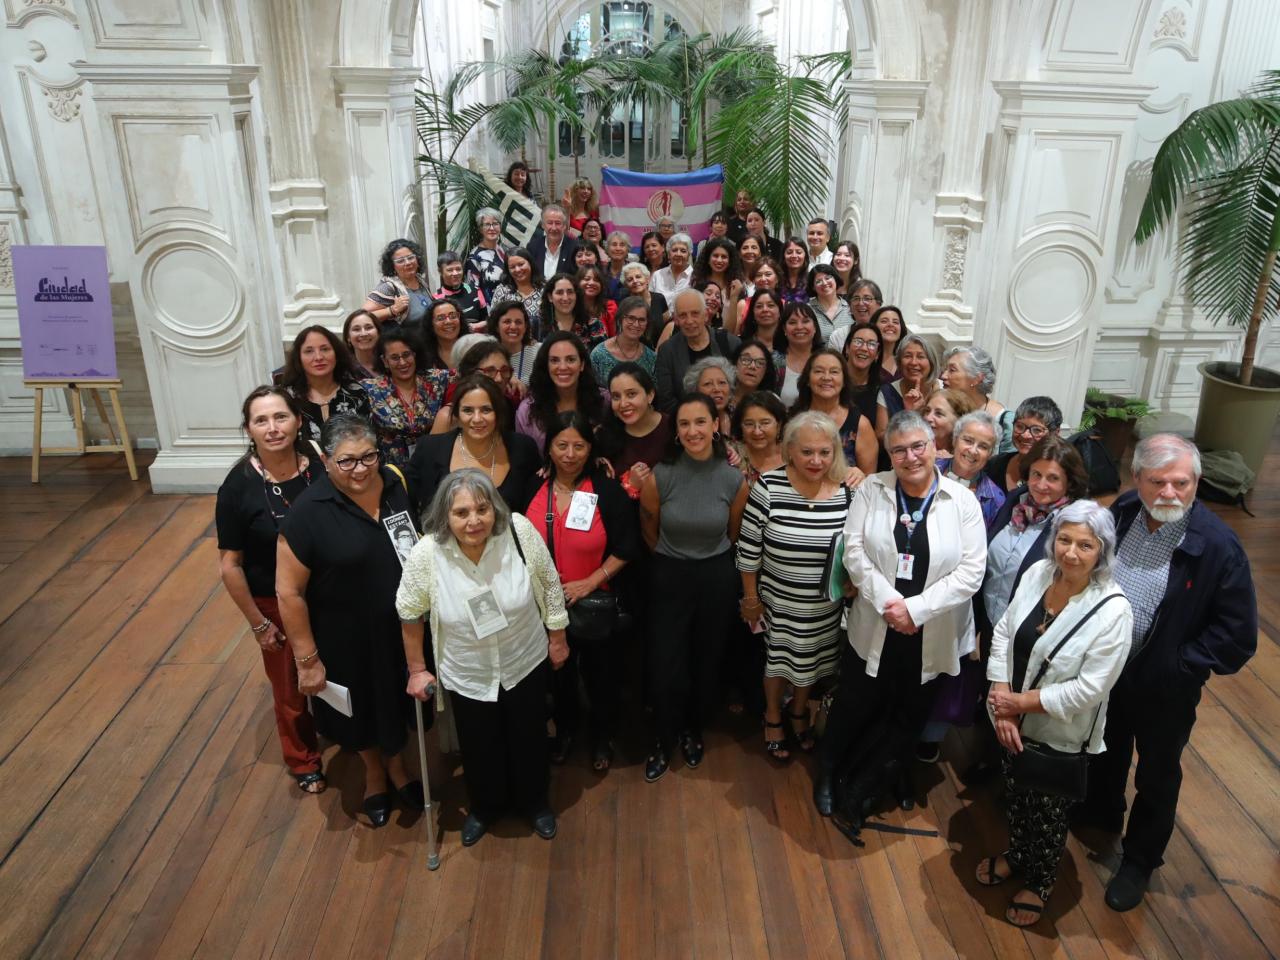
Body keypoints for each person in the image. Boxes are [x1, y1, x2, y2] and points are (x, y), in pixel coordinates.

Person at [1081, 434, 1257, 912]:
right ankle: (1101, 811)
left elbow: (1239, 636)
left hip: (1166, 687)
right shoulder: (1120, 513)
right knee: (1107, 746)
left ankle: (1139, 860)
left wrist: (1180, 666)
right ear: (1136, 480)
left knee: (1158, 774)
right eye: (1158, 482)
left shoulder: (1219, 546)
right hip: (1110, 671)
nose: (1170, 494)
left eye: (1182, 483)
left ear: (1196, 482)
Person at [814, 410, 987, 828]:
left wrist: (916, 610)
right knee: (856, 703)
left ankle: (887, 776)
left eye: (918, 446)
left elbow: (972, 571)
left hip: (932, 628)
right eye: (899, 450)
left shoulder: (962, 500)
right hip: (875, 621)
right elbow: (853, 552)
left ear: (933, 448)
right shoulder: (872, 490)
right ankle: (829, 772)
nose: (910, 457)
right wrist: (893, 603)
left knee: (910, 711)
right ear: (889, 455)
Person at [978, 501, 1134, 927]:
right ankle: (1018, 853)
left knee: (1047, 810)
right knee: (1016, 793)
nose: (1071, 552)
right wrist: (1000, 692)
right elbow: (1006, 631)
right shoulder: (1038, 574)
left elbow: (1090, 689)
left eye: (1086, 545)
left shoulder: (1114, 610)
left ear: (1103, 551)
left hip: (1058, 731)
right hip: (1011, 718)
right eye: (1064, 539)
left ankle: (1042, 879)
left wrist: (1018, 704)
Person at [395, 469, 569, 845]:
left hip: (524, 658)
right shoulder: (428, 552)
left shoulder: (519, 532)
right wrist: (416, 669)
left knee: (529, 737)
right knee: (478, 744)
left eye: (482, 509)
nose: (474, 521)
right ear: (445, 516)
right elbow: (409, 611)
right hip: (468, 669)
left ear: (495, 508)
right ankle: (485, 807)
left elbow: (550, 582)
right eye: (461, 513)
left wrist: (558, 637)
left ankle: (535, 802)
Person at [277, 415, 423, 827]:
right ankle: (374, 774)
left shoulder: (396, 487)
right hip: (344, 637)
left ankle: (397, 766)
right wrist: (307, 660)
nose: (360, 469)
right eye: (347, 461)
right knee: (357, 712)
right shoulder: (308, 512)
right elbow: (288, 592)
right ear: (326, 461)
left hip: (401, 629)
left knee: (395, 702)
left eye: (368, 457)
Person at [216, 387, 326, 794]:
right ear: (248, 429)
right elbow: (230, 565)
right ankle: (303, 759)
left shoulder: (319, 463)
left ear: (298, 420)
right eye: (261, 420)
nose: (273, 428)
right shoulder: (237, 486)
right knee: (290, 686)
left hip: (329, 592)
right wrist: (259, 624)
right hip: (274, 601)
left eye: (280, 417)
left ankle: (349, 736)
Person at [639, 392, 750, 781]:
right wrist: (676, 559)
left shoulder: (734, 478)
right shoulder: (660, 475)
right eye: (684, 424)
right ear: (676, 431)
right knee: (666, 662)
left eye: (700, 422)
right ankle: (663, 735)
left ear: (715, 424)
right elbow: (649, 531)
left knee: (706, 659)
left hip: (716, 575)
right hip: (670, 575)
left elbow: (733, 532)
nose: (692, 431)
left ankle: (692, 729)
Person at [525, 412, 640, 771]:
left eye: (579, 446)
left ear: (590, 450)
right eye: (562, 445)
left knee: (600, 675)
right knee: (556, 676)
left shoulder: (605, 490)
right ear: (549, 448)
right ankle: (565, 731)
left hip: (593, 601)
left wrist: (589, 581)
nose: (570, 454)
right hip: (540, 606)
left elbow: (627, 546)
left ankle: (602, 736)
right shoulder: (532, 487)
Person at [737, 411, 851, 760]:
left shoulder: (847, 492)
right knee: (779, 663)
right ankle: (773, 715)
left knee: (812, 664)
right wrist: (751, 598)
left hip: (824, 606)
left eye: (824, 452)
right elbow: (748, 548)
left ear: (835, 452)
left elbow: (856, 548)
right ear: (789, 451)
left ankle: (799, 712)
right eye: (806, 452)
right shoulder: (768, 487)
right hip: (779, 603)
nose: (816, 460)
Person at [978, 434, 1089, 640]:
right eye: (1036, 474)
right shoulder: (1015, 500)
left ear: (1070, 482)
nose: (1041, 484)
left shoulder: (1074, 525)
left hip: (1030, 636)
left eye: (1053, 478)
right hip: (991, 625)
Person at [407, 374, 540, 516]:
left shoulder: (523, 447)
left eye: (486, 410)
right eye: (468, 410)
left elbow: (539, 499)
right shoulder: (429, 449)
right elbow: (406, 500)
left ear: (498, 412)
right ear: (457, 413)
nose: (477, 419)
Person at [359, 326, 451, 469]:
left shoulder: (437, 380)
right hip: (391, 470)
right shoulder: (370, 388)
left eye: (406, 355)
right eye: (395, 358)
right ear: (385, 361)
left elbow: (467, 376)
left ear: (415, 355)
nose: (402, 363)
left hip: (433, 464)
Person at [790, 347, 877, 479]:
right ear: (807, 379)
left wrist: (861, 476)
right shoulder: (792, 420)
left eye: (834, 372)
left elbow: (870, 481)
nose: (826, 377)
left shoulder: (860, 425)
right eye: (818, 371)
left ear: (844, 381)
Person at [280, 325, 372, 446]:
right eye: (309, 351)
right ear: (299, 358)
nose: (318, 357)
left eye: (325, 349)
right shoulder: (286, 398)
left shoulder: (356, 392)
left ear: (336, 354)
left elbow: (368, 440)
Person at [516, 330, 607, 451]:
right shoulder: (527, 412)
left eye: (570, 359)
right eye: (554, 360)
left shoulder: (605, 400)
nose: (563, 367)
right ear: (546, 365)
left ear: (582, 364)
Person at [654, 288, 740, 412]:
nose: (689, 321)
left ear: (705, 315)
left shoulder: (730, 343)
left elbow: (740, 389)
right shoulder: (667, 351)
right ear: (676, 320)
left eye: (695, 313)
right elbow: (666, 400)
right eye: (683, 315)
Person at [597, 362, 672, 499]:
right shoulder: (605, 437)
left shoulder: (674, 428)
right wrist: (630, 485)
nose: (623, 404)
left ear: (650, 395)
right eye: (616, 397)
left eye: (631, 394)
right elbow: (601, 496)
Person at [431, 339, 522, 433]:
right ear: (471, 373)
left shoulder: (509, 407)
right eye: (490, 371)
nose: (499, 379)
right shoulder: (449, 416)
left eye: (504, 370)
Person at [942, 346, 1013, 453]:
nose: (943, 376)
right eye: (945, 370)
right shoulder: (944, 410)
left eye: (952, 370)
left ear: (976, 379)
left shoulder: (1005, 421)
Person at [985, 397, 1064, 493]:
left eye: (1037, 430)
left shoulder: (1060, 475)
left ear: (1055, 434)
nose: (1025, 435)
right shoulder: (994, 464)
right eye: (1019, 426)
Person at [943, 411, 1007, 527]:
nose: (973, 450)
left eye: (983, 446)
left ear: (991, 454)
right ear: (954, 440)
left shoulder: (995, 499)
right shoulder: (929, 470)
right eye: (968, 441)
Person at [875, 333, 939, 439]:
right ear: (899, 363)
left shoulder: (943, 388)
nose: (913, 362)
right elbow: (881, 437)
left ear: (931, 362)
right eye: (907, 356)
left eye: (920, 356)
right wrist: (909, 415)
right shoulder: (887, 392)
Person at [363, 238, 433, 326]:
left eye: (411, 258)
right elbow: (363, 316)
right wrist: (392, 310)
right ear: (393, 266)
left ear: (417, 260)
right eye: (400, 261)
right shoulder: (389, 287)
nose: (407, 263)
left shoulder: (421, 281)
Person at [591, 295, 657, 385]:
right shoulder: (599, 355)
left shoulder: (651, 358)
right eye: (631, 318)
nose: (636, 324)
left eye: (641, 320)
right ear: (620, 318)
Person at [729, 391, 786, 486]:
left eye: (765, 423)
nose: (757, 431)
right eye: (749, 424)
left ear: (779, 425)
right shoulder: (731, 454)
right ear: (740, 426)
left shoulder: (794, 455)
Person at [491, 247, 544, 340]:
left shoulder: (544, 289)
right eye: (512, 267)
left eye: (521, 264)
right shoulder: (502, 291)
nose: (518, 270)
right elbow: (493, 322)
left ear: (530, 263)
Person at [539, 272, 606, 346]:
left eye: (570, 292)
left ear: (576, 295)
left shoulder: (593, 325)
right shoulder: (538, 324)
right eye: (559, 292)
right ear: (550, 297)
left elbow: (601, 356)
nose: (565, 298)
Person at [487, 298, 541, 385]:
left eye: (518, 322)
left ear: (525, 327)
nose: (513, 327)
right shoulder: (487, 356)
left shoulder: (540, 352)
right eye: (507, 322)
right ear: (496, 326)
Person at [777, 302, 820, 407]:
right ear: (784, 329)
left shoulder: (827, 359)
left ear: (815, 328)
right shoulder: (773, 362)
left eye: (805, 321)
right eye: (792, 322)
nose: (799, 327)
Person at [841, 322, 883, 424]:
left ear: (877, 354)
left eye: (871, 344)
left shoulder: (882, 389)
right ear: (847, 348)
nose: (864, 348)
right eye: (858, 341)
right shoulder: (831, 382)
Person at [683, 356, 735, 437]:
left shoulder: (740, 415)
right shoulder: (688, 423)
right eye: (708, 384)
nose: (717, 389)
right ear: (695, 390)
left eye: (722, 382)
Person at [620, 262, 668, 346]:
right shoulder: (624, 303)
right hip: (632, 350)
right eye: (630, 279)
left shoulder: (659, 298)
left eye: (638, 277)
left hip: (658, 350)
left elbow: (667, 325)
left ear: (647, 279)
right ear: (626, 285)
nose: (635, 281)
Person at [435, 251, 488, 326]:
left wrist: (476, 326)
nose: (455, 273)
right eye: (450, 270)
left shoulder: (475, 291)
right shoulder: (437, 298)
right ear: (440, 272)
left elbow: (487, 321)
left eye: (458, 269)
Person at [466, 207, 507, 302]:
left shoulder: (504, 250)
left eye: (495, 224)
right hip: (489, 310)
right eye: (487, 224)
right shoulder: (475, 257)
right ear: (480, 229)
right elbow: (473, 290)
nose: (492, 228)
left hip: (509, 306)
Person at [528, 203, 579, 279]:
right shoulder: (533, 246)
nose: (554, 228)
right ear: (543, 225)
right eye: (549, 223)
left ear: (564, 226)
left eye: (558, 223)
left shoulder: (575, 247)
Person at [739, 289, 785, 371]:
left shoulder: (790, 343)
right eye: (759, 306)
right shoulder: (740, 343)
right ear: (752, 313)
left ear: (780, 312)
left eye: (770, 305)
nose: (765, 310)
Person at [921, 387, 977, 455]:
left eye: (938, 413)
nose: (928, 418)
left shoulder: (968, 455)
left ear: (959, 420)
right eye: (927, 411)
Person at [730, 340, 778, 414]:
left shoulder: (772, 402)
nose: (752, 366)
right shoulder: (723, 396)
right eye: (746, 359)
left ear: (766, 371)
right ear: (735, 363)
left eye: (760, 363)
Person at [808, 264, 852, 340]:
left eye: (828, 278)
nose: (824, 283)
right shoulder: (807, 310)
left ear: (836, 279)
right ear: (813, 287)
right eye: (818, 281)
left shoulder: (850, 308)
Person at [419, 297, 464, 370]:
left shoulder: (473, 348)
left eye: (453, 316)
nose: (448, 321)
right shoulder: (423, 356)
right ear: (431, 324)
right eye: (440, 318)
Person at [649, 233, 694, 301]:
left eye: (683, 251)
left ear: (688, 255)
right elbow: (650, 301)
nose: (678, 254)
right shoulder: (657, 275)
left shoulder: (696, 276)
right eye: (674, 250)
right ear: (669, 254)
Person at [577, 264, 617, 338]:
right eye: (586, 279)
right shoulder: (572, 306)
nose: (591, 283)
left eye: (596, 280)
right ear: (578, 283)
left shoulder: (609, 307)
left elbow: (614, 338)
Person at [343, 309, 381, 379]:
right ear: (348, 337)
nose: (363, 334)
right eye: (356, 329)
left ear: (378, 333)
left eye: (368, 328)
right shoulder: (343, 370)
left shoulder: (391, 362)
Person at [778, 238, 811, 304]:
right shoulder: (777, 280)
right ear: (783, 256)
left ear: (805, 256)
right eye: (789, 252)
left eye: (798, 252)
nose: (794, 256)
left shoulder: (811, 279)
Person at [603, 230, 632, 299]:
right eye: (614, 244)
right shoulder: (600, 271)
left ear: (627, 249)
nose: (618, 248)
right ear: (607, 248)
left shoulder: (634, 270)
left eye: (622, 245)